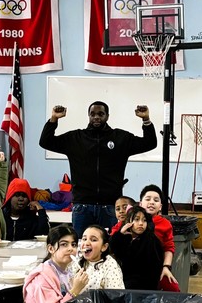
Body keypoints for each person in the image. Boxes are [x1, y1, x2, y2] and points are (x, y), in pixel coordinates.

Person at [39, 101, 157, 236]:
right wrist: (54, 119)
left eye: (101, 114)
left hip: (111, 206)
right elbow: (45, 141)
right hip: (82, 207)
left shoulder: (120, 138)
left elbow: (150, 143)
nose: (96, 117)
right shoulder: (75, 138)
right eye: (93, 114)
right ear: (88, 116)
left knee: (110, 247)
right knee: (82, 248)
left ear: (107, 116)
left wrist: (146, 120)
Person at [109, 206, 165, 290]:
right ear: (128, 222)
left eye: (144, 220)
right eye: (136, 219)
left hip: (143, 286)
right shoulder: (123, 237)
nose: (141, 223)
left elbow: (153, 270)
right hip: (122, 282)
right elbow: (112, 250)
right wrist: (119, 234)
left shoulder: (151, 240)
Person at [135, 185, 178, 287]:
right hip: (132, 268)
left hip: (156, 267)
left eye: (156, 200)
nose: (151, 202)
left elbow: (169, 247)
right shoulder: (131, 219)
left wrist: (166, 267)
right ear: (140, 203)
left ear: (160, 206)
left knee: (173, 287)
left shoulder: (165, 224)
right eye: (148, 199)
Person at [72, 225, 124, 290]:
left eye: (93, 240)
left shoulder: (110, 265)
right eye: (84, 239)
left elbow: (115, 296)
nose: (86, 243)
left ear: (104, 247)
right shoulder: (76, 261)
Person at [2, 177, 50, 242]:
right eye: (17, 195)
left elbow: (43, 234)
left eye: (24, 196)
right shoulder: (0, 217)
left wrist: (40, 210)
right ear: (10, 197)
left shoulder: (32, 219)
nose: (21, 199)